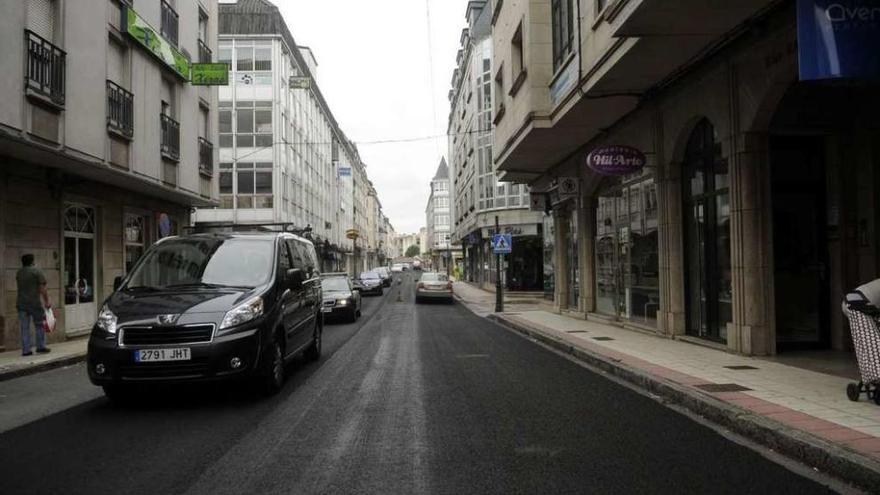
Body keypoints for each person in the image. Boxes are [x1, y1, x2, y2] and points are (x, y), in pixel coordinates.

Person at [16, 254, 51, 356]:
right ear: (32, 261)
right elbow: (42, 289)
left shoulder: (19, 272)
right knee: (39, 325)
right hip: (34, 303)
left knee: (24, 327)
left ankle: (26, 350)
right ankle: (40, 347)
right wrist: (47, 301)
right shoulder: (37, 271)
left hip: (21, 303)